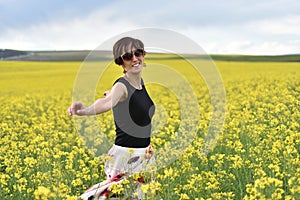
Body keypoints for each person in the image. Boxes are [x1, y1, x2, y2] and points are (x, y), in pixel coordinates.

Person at [68, 37, 156, 200]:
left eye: (138, 52)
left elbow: (119, 97)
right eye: (128, 56)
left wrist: (113, 93)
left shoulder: (138, 83)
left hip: (144, 154)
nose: (135, 59)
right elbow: (107, 102)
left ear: (143, 54)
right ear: (120, 61)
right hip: (126, 156)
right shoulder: (121, 86)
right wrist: (84, 111)